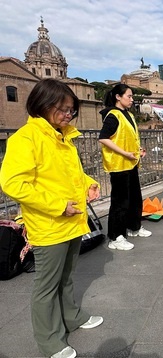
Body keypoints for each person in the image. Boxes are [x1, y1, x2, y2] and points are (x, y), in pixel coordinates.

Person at [0, 78, 103, 358]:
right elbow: (13, 183)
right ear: (43, 105)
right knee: (47, 286)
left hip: (71, 220)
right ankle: (49, 340)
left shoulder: (63, 136)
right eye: (63, 109)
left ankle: (72, 317)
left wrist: (88, 184)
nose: (68, 115)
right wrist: (58, 206)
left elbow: (70, 175)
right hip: (49, 224)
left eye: (71, 110)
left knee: (67, 277)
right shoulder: (25, 138)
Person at [99, 84, 151, 251]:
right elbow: (104, 138)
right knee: (120, 201)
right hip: (119, 164)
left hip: (131, 162)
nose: (132, 99)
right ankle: (115, 237)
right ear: (118, 97)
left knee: (135, 197)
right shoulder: (113, 115)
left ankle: (134, 227)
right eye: (129, 96)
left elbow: (129, 137)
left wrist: (138, 150)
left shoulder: (128, 115)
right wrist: (124, 153)